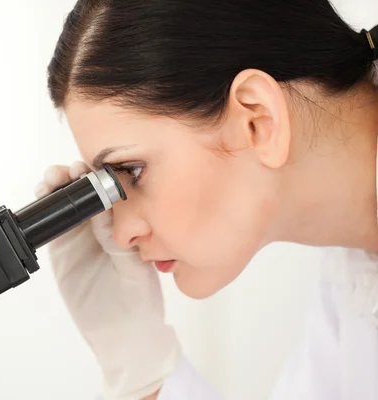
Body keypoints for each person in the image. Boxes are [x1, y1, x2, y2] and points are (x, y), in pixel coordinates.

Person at [33, 1, 378, 399]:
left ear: (258, 119)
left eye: (132, 171)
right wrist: (143, 369)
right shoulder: (355, 277)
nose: (122, 231)